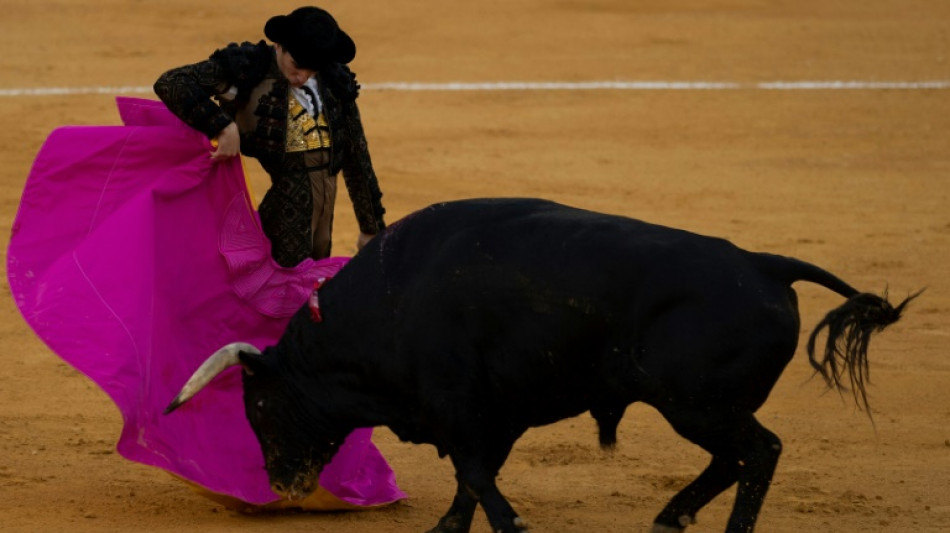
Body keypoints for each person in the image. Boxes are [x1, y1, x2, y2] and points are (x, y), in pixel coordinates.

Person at [155, 6, 385, 267]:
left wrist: (371, 226)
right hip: (283, 218)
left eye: (312, 71)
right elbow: (172, 83)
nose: (302, 77)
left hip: (322, 221)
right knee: (283, 287)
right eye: (297, 66)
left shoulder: (333, 81)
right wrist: (221, 125)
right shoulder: (248, 68)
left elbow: (357, 156)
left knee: (314, 282)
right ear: (279, 46)